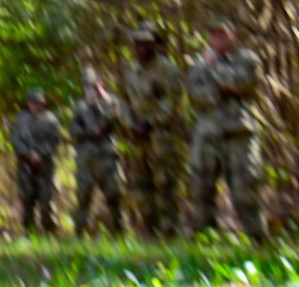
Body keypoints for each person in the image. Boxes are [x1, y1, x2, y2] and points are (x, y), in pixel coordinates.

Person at [185, 24, 265, 242]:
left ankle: (257, 241)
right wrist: (219, 89)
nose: (217, 38)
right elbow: (194, 94)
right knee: (201, 189)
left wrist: (215, 71)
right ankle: (203, 241)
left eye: (222, 33)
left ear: (233, 35)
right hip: (208, 134)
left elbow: (240, 84)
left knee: (245, 190)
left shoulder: (248, 59)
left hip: (239, 133)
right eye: (212, 34)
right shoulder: (199, 64)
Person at [120, 24, 186, 238]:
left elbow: (172, 100)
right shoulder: (131, 72)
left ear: (154, 44)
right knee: (140, 184)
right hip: (138, 137)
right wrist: (131, 124)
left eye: (145, 42)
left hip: (161, 135)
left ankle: (170, 230)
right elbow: (124, 100)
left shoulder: (167, 69)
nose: (141, 47)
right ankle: (148, 230)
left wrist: (153, 122)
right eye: (137, 42)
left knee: (165, 182)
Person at [67, 68, 125, 237]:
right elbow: (73, 130)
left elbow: (115, 120)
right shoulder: (80, 107)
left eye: (92, 85)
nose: (89, 89)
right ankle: (79, 232)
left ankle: (119, 232)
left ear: (100, 84)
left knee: (114, 194)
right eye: (86, 86)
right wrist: (87, 132)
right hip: (87, 157)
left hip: (107, 155)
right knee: (83, 196)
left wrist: (101, 103)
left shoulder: (111, 102)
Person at [8, 89, 62, 236]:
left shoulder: (51, 120)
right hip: (26, 166)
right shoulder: (20, 120)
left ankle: (49, 231)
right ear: (28, 103)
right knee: (27, 200)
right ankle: (29, 232)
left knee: (47, 201)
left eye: (39, 103)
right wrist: (28, 154)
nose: (36, 106)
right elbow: (15, 140)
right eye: (33, 103)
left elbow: (55, 140)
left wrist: (40, 154)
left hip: (45, 166)